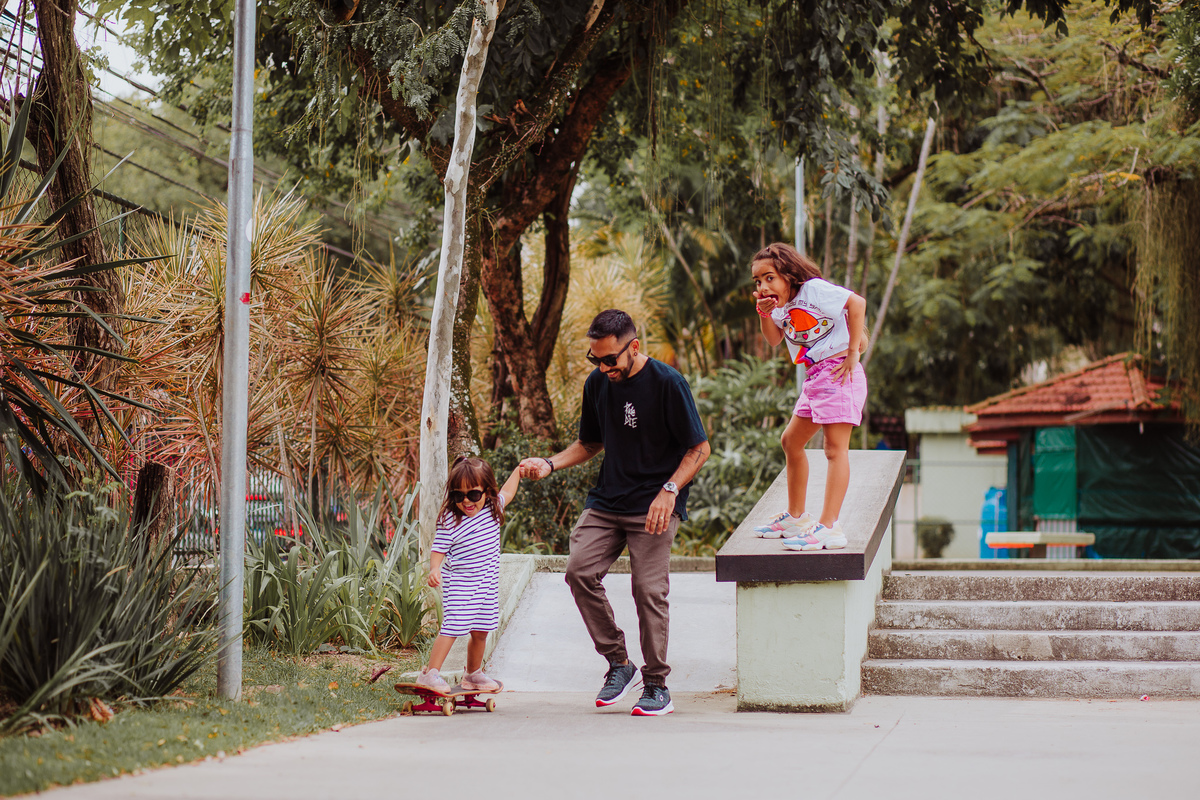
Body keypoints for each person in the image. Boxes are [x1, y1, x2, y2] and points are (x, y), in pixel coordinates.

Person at [519, 310, 710, 717]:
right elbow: (589, 443)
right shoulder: (597, 384)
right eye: (595, 359)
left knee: (648, 589)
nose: (603, 368)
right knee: (579, 571)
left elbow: (699, 449)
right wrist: (550, 464)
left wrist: (669, 490)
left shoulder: (668, 383)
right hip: (608, 501)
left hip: (655, 506)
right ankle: (619, 663)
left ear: (634, 347)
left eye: (610, 360)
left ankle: (657, 683)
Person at [749, 242, 867, 552]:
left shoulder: (813, 290)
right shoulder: (779, 306)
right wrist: (764, 313)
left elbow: (857, 303)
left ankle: (829, 527)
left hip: (840, 372)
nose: (762, 286)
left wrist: (853, 351)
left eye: (769, 277)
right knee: (791, 441)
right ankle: (797, 517)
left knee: (834, 449)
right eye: (758, 281)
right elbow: (774, 340)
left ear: (788, 274)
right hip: (816, 377)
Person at [415, 456, 521, 694]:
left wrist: (518, 471)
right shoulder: (451, 519)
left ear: (487, 492)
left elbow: (508, 491)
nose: (466, 501)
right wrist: (434, 569)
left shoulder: (493, 509)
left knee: (481, 630)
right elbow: (438, 549)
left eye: (473, 494)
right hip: (461, 583)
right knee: (453, 626)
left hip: (486, 585)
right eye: (458, 495)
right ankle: (430, 674)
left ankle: (473, 674)